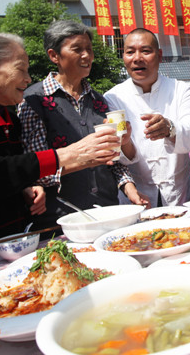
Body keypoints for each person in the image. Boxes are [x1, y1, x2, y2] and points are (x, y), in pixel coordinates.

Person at [0, 33, 121, 274]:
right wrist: (63, 157)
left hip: (6, 244)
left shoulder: (9, 118)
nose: (27, 79)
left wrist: (24, 188)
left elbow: (9, 169)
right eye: (21, 70)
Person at [19, 20, 148, 231]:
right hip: (60, 220)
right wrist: (82, 160)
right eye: (77, 49)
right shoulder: (33, 100)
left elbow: (112, 157)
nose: (86, 56)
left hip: (107, 214)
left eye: (89, 49)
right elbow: (34, 168)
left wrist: (129, 187)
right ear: (54, 56)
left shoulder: (99, 101)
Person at [104, 28, 190, 206]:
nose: (137, 58)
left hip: (178, 193)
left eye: (146, 51)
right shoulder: (113, 97)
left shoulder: (181, 90)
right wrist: (124, 142)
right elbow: (119, 158)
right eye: (130, 52)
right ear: (123, 56)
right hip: (136, 198)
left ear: (159, 55)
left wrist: (170, 128)